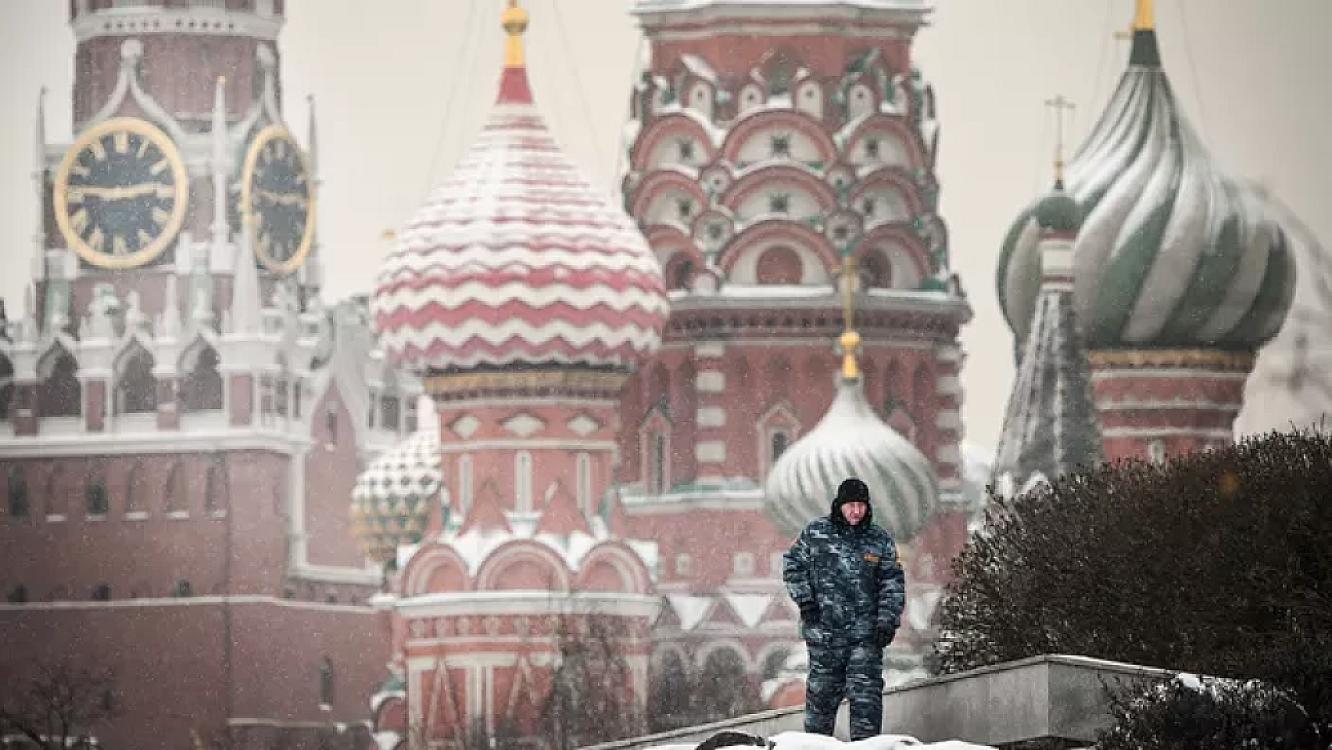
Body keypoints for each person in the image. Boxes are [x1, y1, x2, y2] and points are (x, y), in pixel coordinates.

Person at [782, 477, 905, 740]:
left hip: (865, 638)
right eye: (851, 505)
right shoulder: (816, 534)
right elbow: (792, 565)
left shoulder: (879, 540)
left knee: (866, 704)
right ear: (839, 505)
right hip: (825, 637)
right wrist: (806, 601)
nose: (856, 511)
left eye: (861, 505)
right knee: (820, 706)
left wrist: (887, 621)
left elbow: (892, 583)